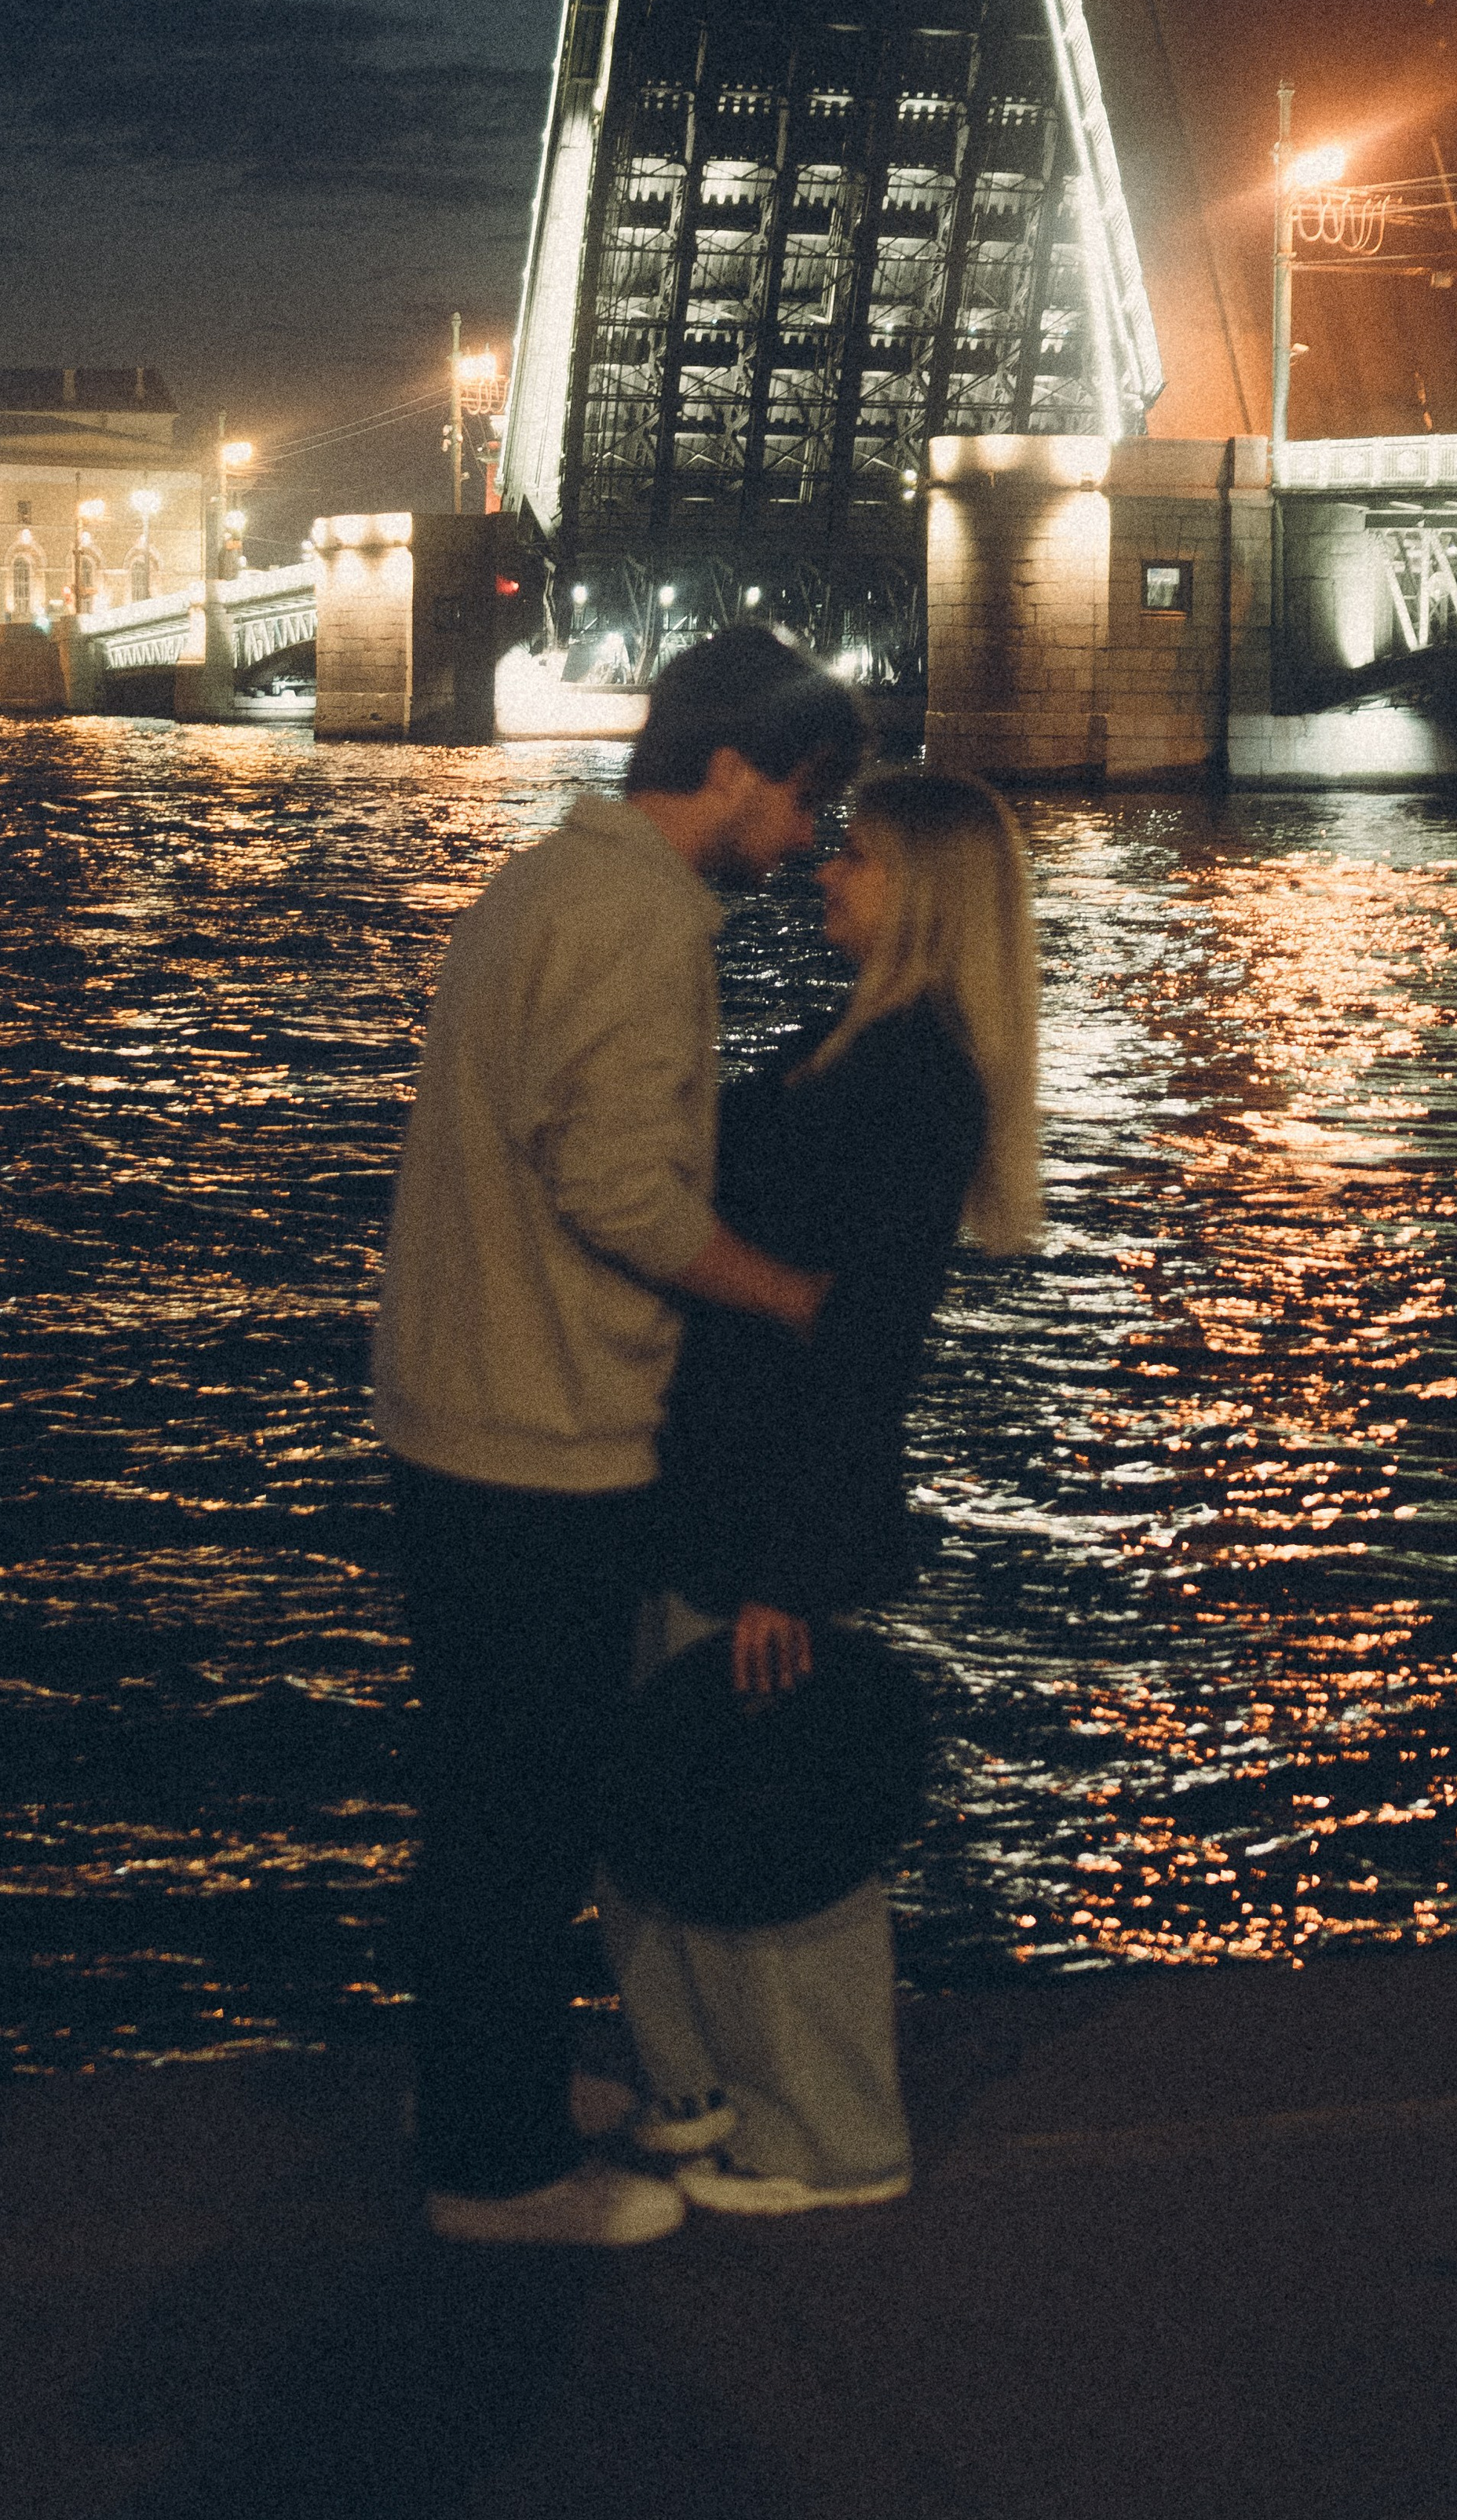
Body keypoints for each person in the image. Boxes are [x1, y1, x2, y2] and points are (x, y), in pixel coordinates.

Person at [373, 624, 867, 2248]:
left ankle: (489, 2092)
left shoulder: (542, 882)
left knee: (481, 1800)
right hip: (542, 1433)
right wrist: (788, 1293)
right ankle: (499, 2175)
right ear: (726, 770)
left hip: (453, 1405)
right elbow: (615, 1189)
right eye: (799, 802)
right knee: (521, 1822)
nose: (801, 842)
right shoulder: (645, 926)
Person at [601, 769, 1042, 2215]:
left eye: (855, 856)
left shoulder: (903, 1079)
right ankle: (723, 2095)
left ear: (923, 890)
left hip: (766, 1495)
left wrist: (789, 1566)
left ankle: (836, 2142)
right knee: (700, 1796)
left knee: (770, 1823)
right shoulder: (867, 1048)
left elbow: (862, 1338)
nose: (825, 873)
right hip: (731, 1472)